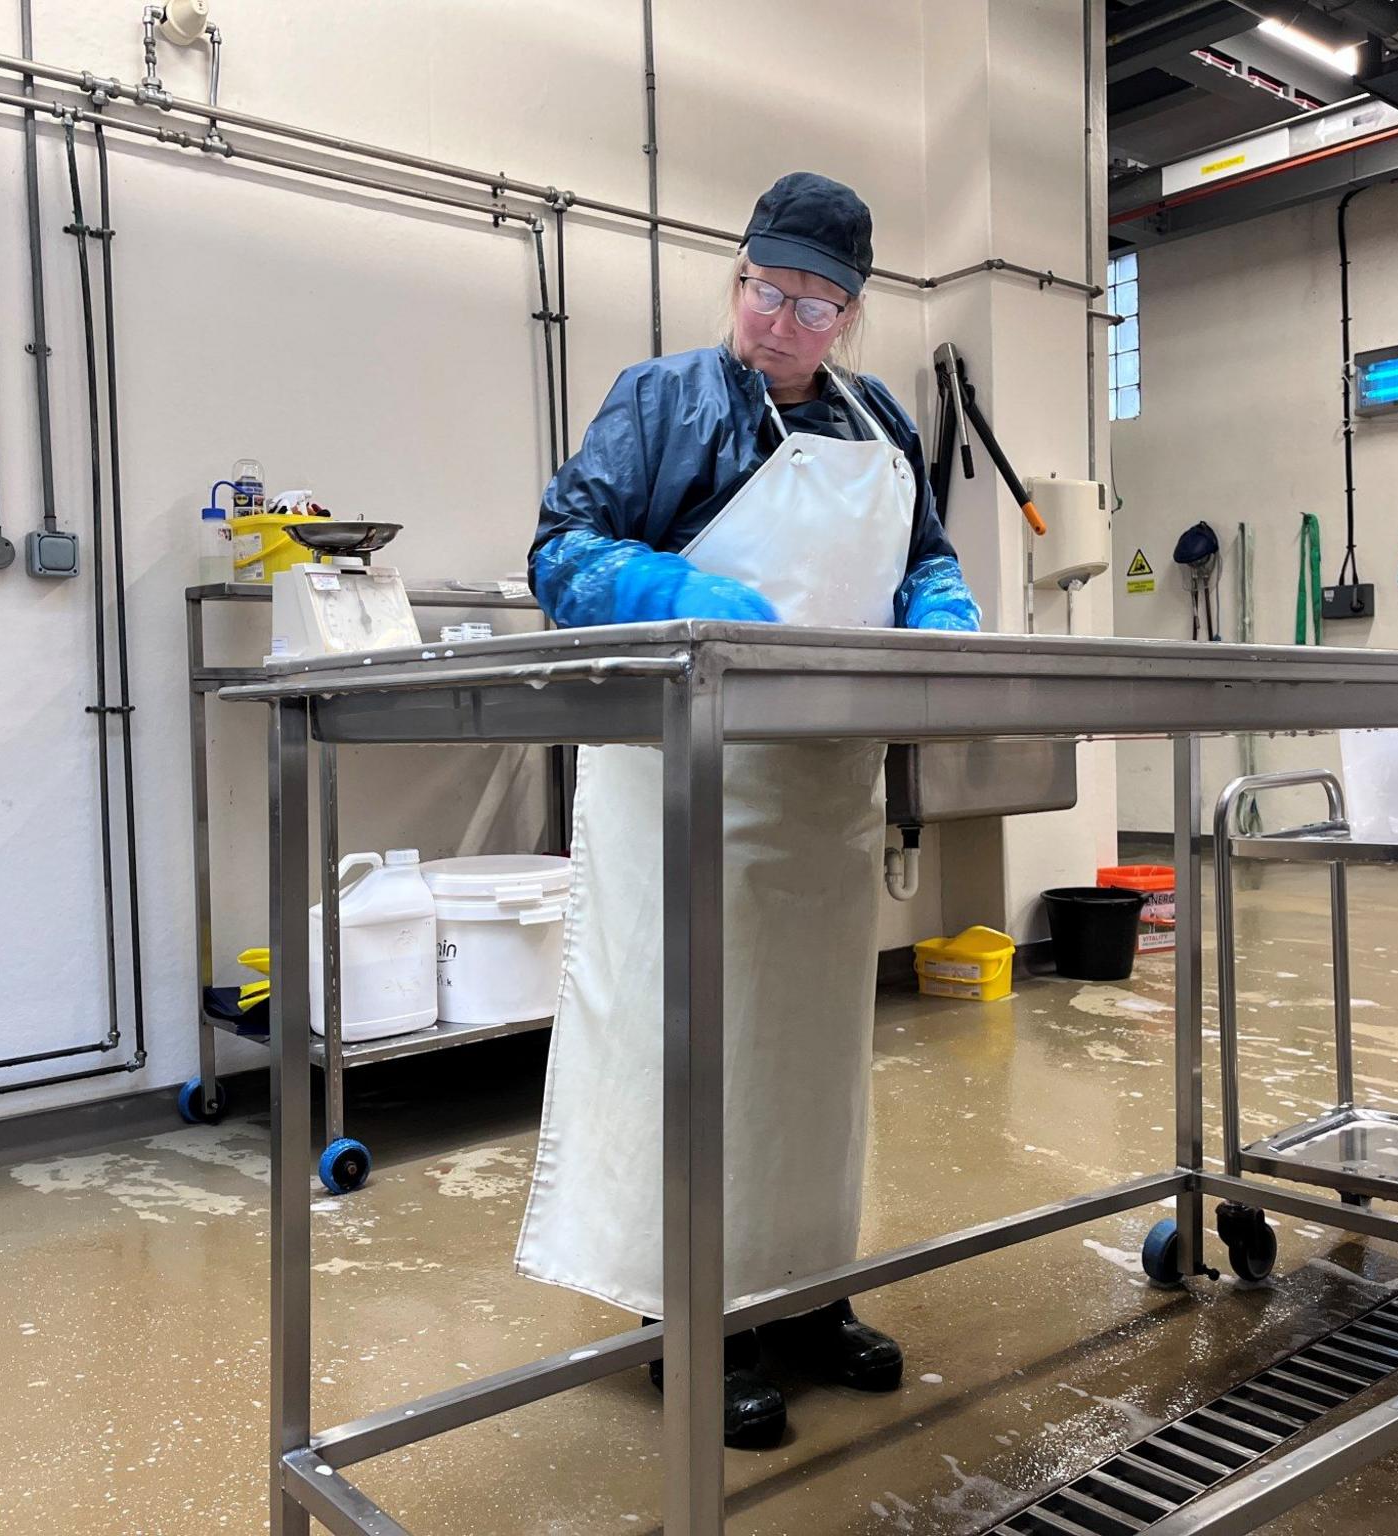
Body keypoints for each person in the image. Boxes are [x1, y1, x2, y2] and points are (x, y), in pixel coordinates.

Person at [514, 172, 981, 1450]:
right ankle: (694, 1317)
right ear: (736, 281)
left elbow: (924, 557)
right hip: (689, 785)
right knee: (692, 1052)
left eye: (813, 305)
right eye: (762, 292)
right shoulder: (660, 399)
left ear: (850, 316)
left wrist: (939, 615)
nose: (780, 323)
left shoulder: (877, 419)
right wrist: (676, 589)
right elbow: (560, 549)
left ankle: (806, 1289)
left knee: (810, 1060)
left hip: (818, 789)